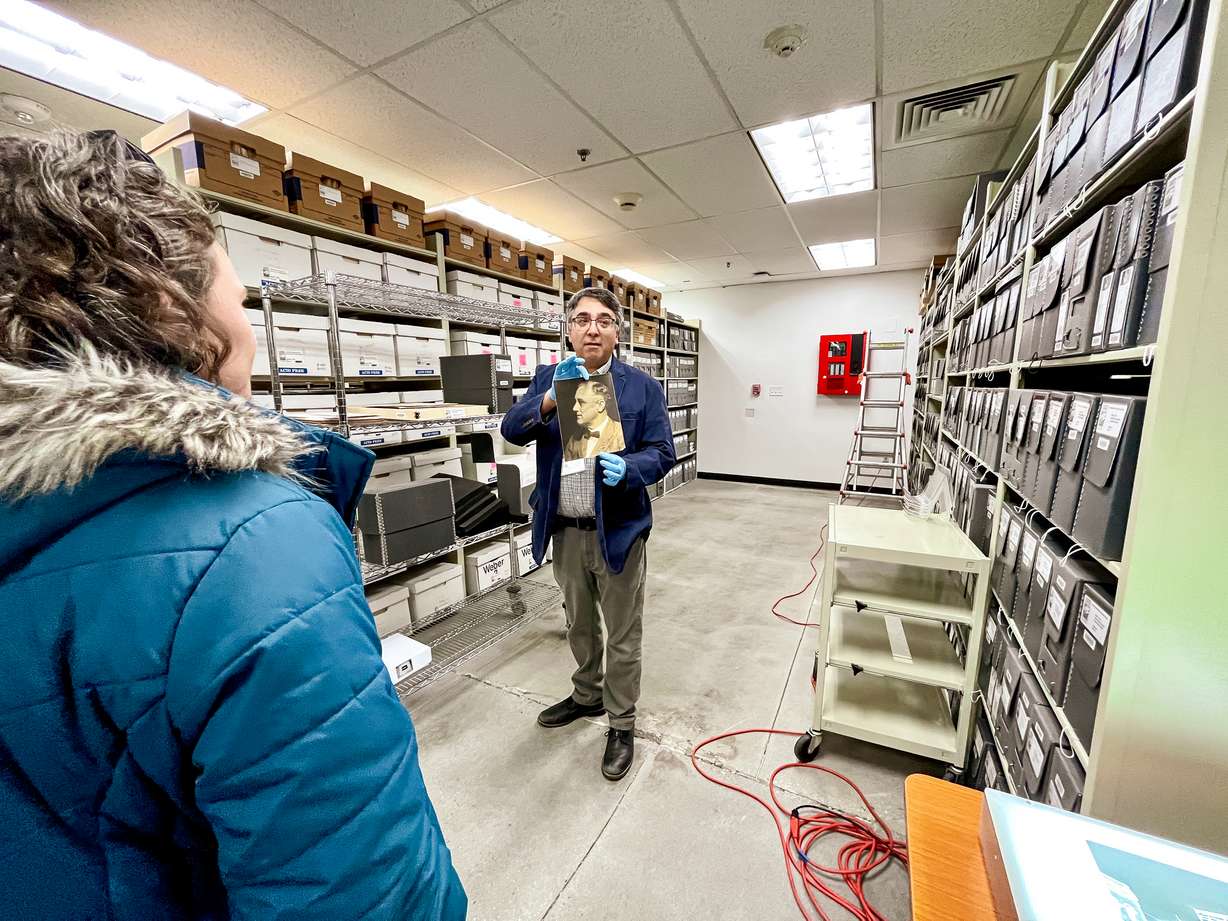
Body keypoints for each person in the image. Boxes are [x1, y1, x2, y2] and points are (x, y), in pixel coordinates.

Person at [0, 129, 466, 920]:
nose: (248, 317)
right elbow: (362, 892)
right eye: (240, 296)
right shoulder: (254, 543)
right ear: (168, 301)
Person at [501, 286, 675, 781]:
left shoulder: (641, 387)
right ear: (569, 329)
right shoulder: (547, 379)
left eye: (602, 320)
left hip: (617, 529)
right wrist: (553, 398)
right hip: (565, 529)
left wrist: (632, 466)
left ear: (617, 330)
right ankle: (587, 695)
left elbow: (663, 453)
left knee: (622, 632)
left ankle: (621, 721)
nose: (592, 328)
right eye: (582, 320)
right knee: (578, 623)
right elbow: (512, 429)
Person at [563, 378, 625, 460]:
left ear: (600, 405)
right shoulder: (574, 440)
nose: (574, 408)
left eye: (581, 402)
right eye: (575, 402)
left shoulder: (619, 434)